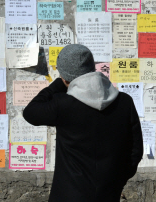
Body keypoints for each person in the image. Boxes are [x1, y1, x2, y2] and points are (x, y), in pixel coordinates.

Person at [23, 44, 143, 202]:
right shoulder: (124, 102)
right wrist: (118, 180)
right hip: (109, 194)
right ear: (92, 68)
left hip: (68, 194)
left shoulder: (63, 104)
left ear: (65, 77)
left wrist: (58, 84)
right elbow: (135, 149)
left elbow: (30, 112)